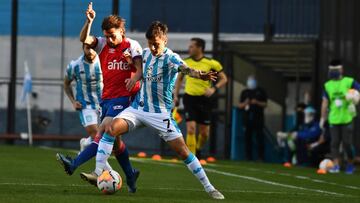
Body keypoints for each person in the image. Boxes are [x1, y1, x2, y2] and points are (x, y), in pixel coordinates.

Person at [81, 21, 224, 199]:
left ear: (165, 40)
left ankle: (209, 187)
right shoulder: (146, 54)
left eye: (156, 44)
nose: (152, 47)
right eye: (150, 43)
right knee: (111, 128)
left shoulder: (171, 58)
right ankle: (99, 170)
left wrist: (200, 74)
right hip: (138, 109)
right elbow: (138, 69)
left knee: (183, 151)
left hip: (160, 114)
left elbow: (186, 70)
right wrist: (132, 75)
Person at [56, 2, 143, 193]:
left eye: (112, 35)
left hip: (125, 98)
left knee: (103, 131)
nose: (109, 39)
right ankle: (130, 174)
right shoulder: (103, 44)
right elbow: (83, 39)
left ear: (122, 31)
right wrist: (89, 21)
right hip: (107, 99)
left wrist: (134, 77)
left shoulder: (132, 45)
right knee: (116, 142)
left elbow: (140, 69)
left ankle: (75, 164)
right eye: (106, 36)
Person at [173, 38, 227, 159]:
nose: (189, 48)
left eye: (192, 46)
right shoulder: (185, 62)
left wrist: (214, 89)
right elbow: (179, 79)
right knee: (191, 129)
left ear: (200, 48)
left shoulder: (212, 63)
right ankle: (192, 157)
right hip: (190, 98)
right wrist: (176, 95)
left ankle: (198, 149)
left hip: (205, 100)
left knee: (204, 133)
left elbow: (224, 78)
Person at [320, 59, 360, 174]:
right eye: (331, 70)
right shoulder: (327, 85)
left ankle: (350, 164)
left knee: (347, 143)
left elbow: (358, 93)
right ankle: (336, 165)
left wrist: (355, 100)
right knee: (334, 143)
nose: (333, 72)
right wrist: (323, 118)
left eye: (335, 70)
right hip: (334, 118)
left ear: (341, 69)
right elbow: (325, 102)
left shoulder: (349, 81)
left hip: (347, 117)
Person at [63, 44, 102, 151]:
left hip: (103, 104)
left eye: (93, 48)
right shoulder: (75, 65)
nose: (90, 51)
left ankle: (86, 143)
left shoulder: (104, 61)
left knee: (104, 135)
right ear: (83, 48)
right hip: (85, 105)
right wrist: (73, 101)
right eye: (87, 48)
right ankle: (103, 167)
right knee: (96, 135)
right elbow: (66, 84)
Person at [237, 75, 267, 161]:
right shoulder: (244, 92)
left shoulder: (261, 91)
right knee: (247, 138)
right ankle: (248, 157)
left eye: (252, 80)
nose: (251, 82)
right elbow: (239, 105)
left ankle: (261, 157)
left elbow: (265, 104)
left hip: (258, 118)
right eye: (249, 80)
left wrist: (257, 102)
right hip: (247, 119)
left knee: (259, 138)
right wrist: (245, 103)